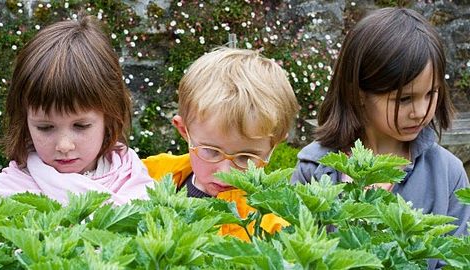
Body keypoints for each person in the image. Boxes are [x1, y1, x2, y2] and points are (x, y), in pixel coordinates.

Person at [292, 7, 469, 247]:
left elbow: (457, 257)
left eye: (431, 93)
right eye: (404, 99)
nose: (420, 111)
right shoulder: (314, 169)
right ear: (359, 93)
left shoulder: (449, 174)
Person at [0, 16, 154, 205]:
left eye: (81, 125)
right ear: (24, 121)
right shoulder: (9, 192)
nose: (64, 146)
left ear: (110, 117)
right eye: (45, 127)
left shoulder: (133, 181)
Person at [142, 47, 300, 241]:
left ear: (275, 143)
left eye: (245, 157)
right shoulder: (146, 175)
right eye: (211, 151)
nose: (225, 172)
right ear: (184, 130)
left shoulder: (271, 227)